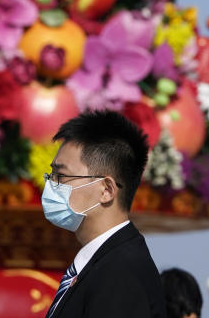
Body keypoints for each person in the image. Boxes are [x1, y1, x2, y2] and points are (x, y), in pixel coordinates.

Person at [40, 110, 166, 318]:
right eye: (51, 175)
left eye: (60, 176)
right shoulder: (103, 262)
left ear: (107, 190)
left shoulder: (121, 272)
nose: (51, 185)